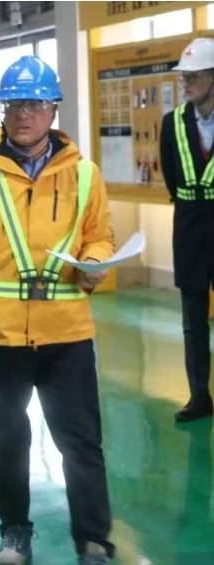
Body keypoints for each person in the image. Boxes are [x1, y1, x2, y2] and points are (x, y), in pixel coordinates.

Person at [0, 56, 115, 565]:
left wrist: (95, 262)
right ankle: (14, 532)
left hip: (66, 331)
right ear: (3, 111)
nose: (23, 114)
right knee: (8, 439)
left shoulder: (84, 174)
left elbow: (99, 235)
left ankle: (93, 538)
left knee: (81, 440)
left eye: (34, 104)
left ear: (54, 109)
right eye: (13, 105)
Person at [159, 37, 214, 422]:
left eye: (194, 76)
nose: (187, 84)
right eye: (184, 77)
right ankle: (199, 396)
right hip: (190, 229)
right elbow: (169, 174)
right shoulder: (172, 123)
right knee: (192, 322)